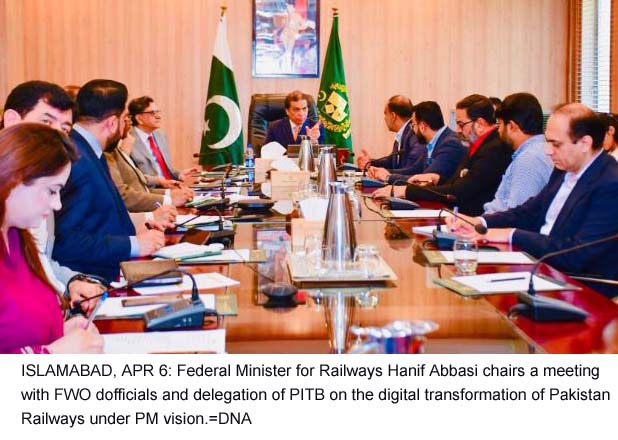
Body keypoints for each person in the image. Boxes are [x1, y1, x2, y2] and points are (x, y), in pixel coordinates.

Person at [448, 103, 618, 299]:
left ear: (585, 143)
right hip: (539, 268)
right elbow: (529, 211)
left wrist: (511, 235)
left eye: (556, 144)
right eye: (547, 142)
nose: (548, 151)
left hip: (580, 286)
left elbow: (577, 253)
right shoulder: (564, 168)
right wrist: (479, 222)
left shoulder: (610, 184)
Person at [1, 81, 105, 314]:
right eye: (46, 123)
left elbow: (39, 259)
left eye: (65, 129)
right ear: (12, 121)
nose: (56, 137)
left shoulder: (40, 187)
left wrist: (71, 281)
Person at [0, 123, 104, 353]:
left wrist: (59, 331)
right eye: (51, 190)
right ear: (14, 179)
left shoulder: (18, 236)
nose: (57, 204)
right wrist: (52, 354)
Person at [53, 79, 166, 282]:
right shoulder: (77, 160)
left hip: (113, 270)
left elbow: (97, 219)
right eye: (125, 119)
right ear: (112, 123)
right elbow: (67, 243)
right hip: (93, 282)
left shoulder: (90, 150)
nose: (126, 127)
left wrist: (134, 231)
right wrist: (133, 245)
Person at [374, 94, 512, 216]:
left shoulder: (494, 149)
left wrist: (405, 191)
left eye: (461, 124)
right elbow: (457, 182)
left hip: (474, 222)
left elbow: (458, 191)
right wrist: (437, 179)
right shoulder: (481, 144)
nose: (457, 130)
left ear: (480, 124)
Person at [483, 93, 553, 213]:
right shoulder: (537, 151)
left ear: (511, 126)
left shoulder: (529, 160)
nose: (498, 130)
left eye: (500, 124)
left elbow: (516, 215)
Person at [105, 117, 193, 212]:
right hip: (142, 212)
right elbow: (125, 194)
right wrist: (169, 199)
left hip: (153, 199)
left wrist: (169, 192)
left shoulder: (160, 135)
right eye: (125, 117)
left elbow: (140, 186)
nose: (129, 121)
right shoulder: (110, 150)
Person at [371, 101, 465, 185]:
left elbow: (424, 180)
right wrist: (384, 172)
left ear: (423, 126)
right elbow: (415, 170)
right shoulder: (431, 143)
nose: (412, 130)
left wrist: (388, 177)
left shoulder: (450, 144)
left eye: (413, 125)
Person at [128, 96, 198, 181]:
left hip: (170, 186)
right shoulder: (128, 141)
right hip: (151, 188)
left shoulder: (160, 135)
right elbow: (132, 178)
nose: (158, 116)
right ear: (139, 118)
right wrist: (160, 182)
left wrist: (179, 174)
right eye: (152, 113)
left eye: (158, 111)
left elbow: (165, 171)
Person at [355, 95, 425, 180]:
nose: (384, 118)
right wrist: (370, 163)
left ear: (393, 116)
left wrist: (384, 173)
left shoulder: (414, 134)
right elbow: (391, 161)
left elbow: (413, 171)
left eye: (385, 113)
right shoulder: (403, 133)